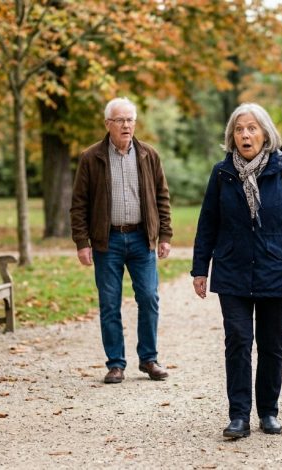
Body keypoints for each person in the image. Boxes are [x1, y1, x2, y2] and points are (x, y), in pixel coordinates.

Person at [191, 103, 282, 439]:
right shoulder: (222, 173)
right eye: (239, 129)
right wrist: (199, 268)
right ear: (231, 136)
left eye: (252, 128)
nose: (245, 134)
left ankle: (268, 411)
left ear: (265, 133)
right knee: (237, 340)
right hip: (232, 269)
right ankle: (238, 415)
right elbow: (208, 223)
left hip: (276, 268)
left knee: (271, 344)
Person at [70, 97, 173, 385]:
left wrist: (164, 235)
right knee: (109, 303)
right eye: (120, 120)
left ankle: (149, 359)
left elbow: (162, 197)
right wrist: (82, 242)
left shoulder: (149, 155)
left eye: (130, 120)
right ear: (108, 124)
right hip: (108, 241)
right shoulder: (91, 157)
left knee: (149, 298)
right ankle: (115, 364)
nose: (126, 125)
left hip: (141, 238)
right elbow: (79, 204)